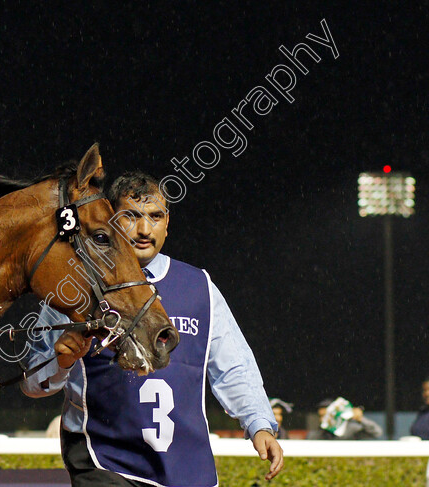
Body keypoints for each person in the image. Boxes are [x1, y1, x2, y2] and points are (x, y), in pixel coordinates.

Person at [21, 172, 283, 486]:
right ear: (110, 219)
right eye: (131, 216)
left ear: (167, 222)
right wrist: (61, 362)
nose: (145, 229)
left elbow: (234, 367)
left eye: (155, 216)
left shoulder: (200, 286)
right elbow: (33, 383)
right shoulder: (74, 285)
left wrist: (259, 424)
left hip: (188, 470)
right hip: (106, 463)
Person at [306, 397, 382, 440]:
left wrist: (361, 419)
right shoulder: (315, 435)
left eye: (326, 416)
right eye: (321, 416)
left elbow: (376, 432)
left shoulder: (351, 430)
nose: (323, 419)